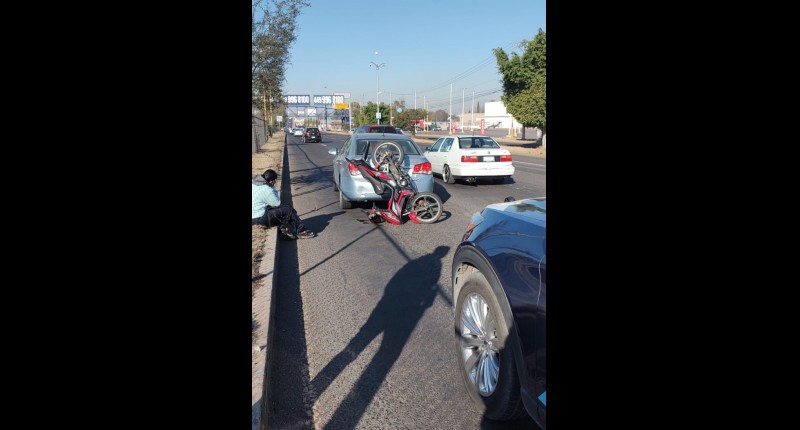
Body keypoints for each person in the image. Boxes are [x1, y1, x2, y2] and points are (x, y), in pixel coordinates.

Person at [252, 169, 316, 239]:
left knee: (280, 210)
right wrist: (272, 187)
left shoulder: (254, 183)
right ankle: (301, 231)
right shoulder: (267, 189)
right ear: (272, 181)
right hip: (259, 218)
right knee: (287, 210)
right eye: (274, 181)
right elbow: (277, 203)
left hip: (254, 215)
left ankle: (284, 230)